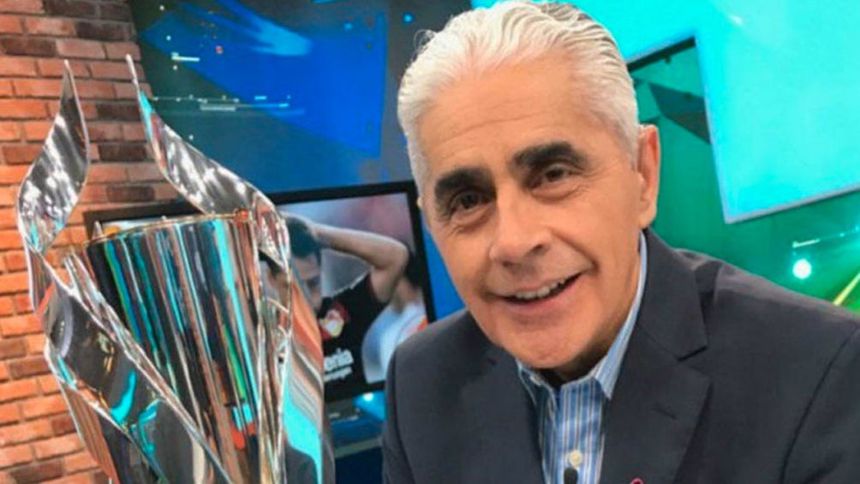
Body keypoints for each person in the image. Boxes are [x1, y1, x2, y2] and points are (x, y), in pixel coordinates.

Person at [381, 2, 860, 483]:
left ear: (643, 175)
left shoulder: (822, 373)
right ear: (432, 225)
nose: (514, 241)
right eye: (468, 201)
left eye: (553, 175)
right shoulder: (420, 385)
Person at [287, 216, 408, 401]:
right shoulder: (263, 336)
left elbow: (396, 257)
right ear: (274, 280)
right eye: (296, 287)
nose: (308, 299)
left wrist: (316, 233)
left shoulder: (341, 312)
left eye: (313, 284)